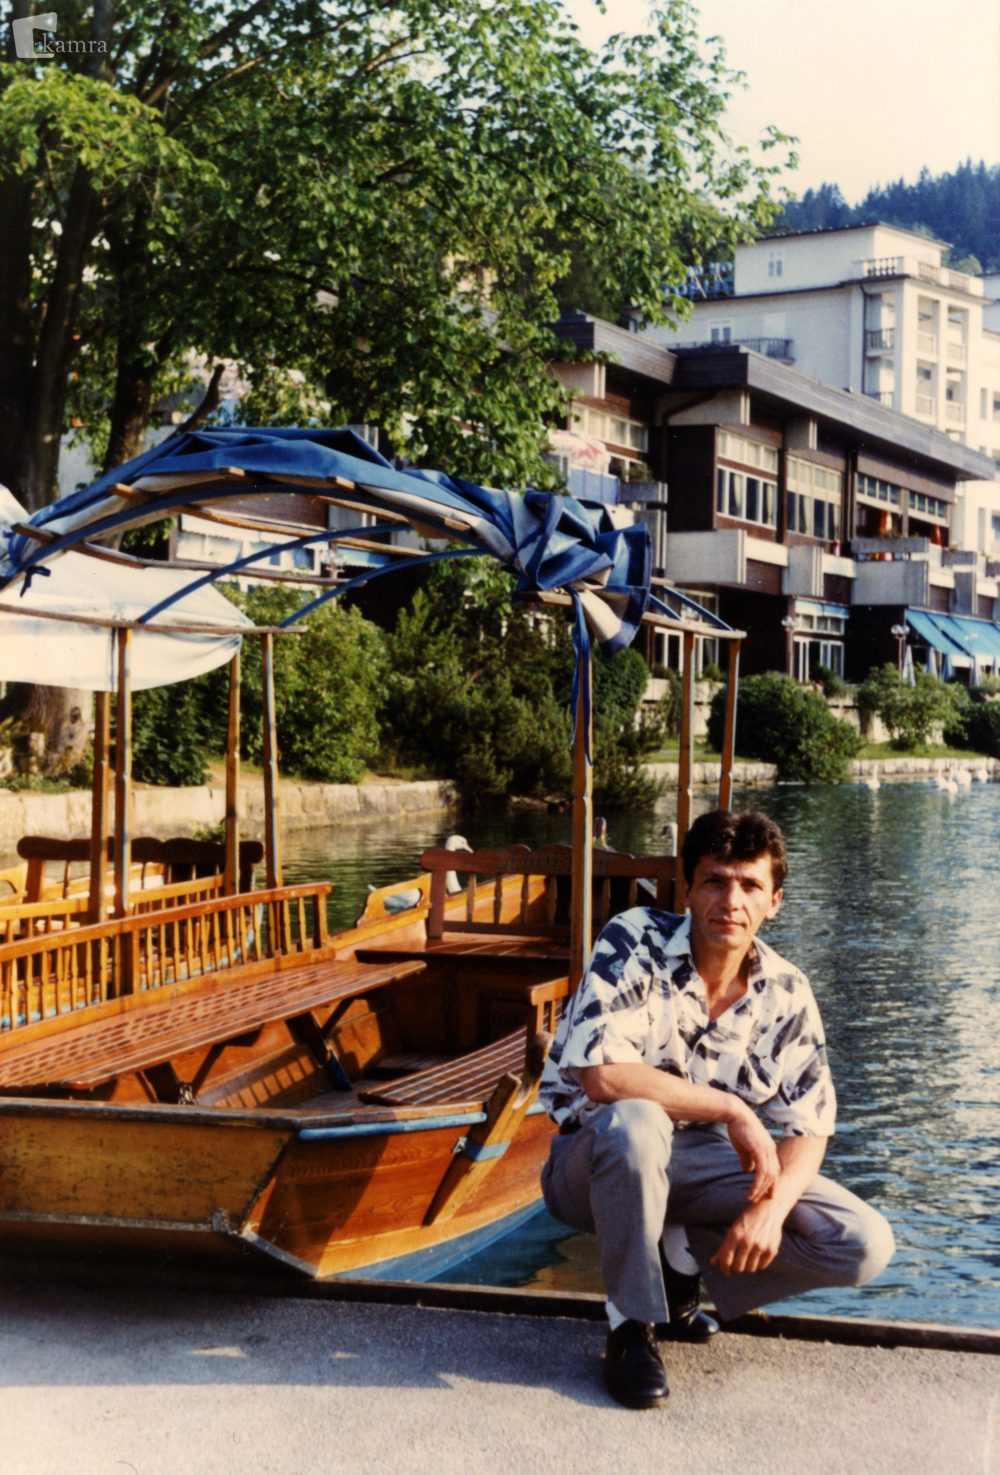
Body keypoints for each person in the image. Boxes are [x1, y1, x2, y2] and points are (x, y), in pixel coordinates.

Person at [539, 808, 895, 1410]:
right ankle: (631, 1325)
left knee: (861, 1241)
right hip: (592, 1162)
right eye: (715, 881)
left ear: (774, 901)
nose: (731, 901)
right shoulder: (634, 938)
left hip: (698, 1169)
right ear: (687, 890)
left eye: (751, 885)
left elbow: (810, 1126)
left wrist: (770, 1212)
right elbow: (603, 1076)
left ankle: (681, 1262)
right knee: (637, 1120)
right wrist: (733, 1110)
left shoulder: (787, 991)